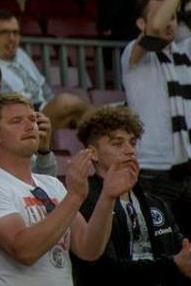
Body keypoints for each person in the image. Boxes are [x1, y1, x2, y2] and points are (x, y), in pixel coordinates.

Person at [0, 93, 131, 284]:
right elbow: (24, 251)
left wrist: (107, 197)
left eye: (32, 119)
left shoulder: (52, 184)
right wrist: (74, 197)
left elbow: (88, 249)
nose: (30, 126)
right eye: (16, 121)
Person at [70, 106, 191, 285]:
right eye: (118, 143)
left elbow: (182, 255)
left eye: (132, 143)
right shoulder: (85, 201)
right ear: (93, 153)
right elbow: (102, 270)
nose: (130, 150)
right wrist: (172, 266)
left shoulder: (156, 204)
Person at [124, 0, 191, 235]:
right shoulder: (133, 54)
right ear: (141, 23)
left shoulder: (185, 51)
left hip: (187, 169)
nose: (169, 21)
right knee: (161, 249)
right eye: (164, 13)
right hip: (151, 172)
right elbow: (155, 30)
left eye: (174, 15)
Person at [0, 10, 91, 131]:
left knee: (74, 118)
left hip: (42, 115)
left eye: (15, 33)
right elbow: (0, 104)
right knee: (66, 103)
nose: (12, 38)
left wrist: (54, 109)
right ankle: (102, 118)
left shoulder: (20, 54)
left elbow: (44, 89)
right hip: (19, 121)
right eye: (4, 33)